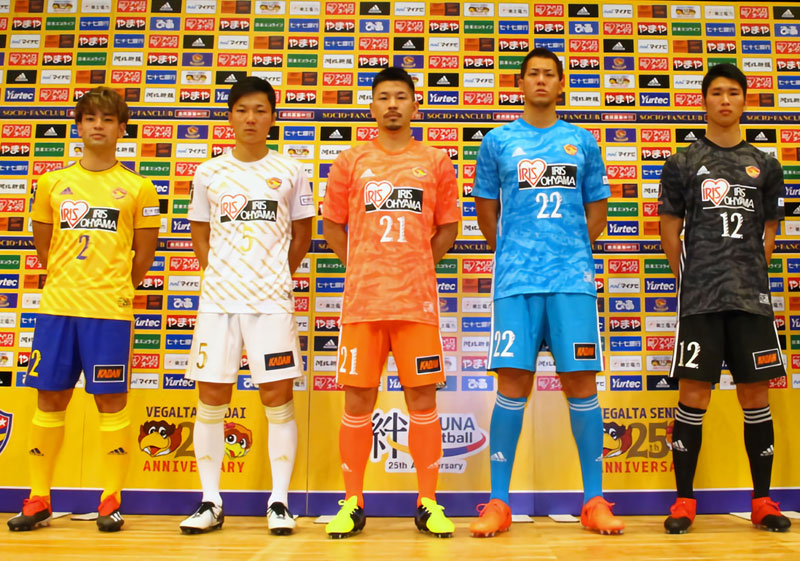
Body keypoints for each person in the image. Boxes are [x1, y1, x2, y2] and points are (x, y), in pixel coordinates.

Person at [469, 48, 624, 537]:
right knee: (512, 383)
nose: (540, 80)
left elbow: (597, 212)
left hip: (571, 282)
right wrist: (515, 251)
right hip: (515, 282)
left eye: (549, 75)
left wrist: (567, 249)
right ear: (520, 83)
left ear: (561, 84)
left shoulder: (582, 141)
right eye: (532, 74)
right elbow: (486, 210)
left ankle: (594, 500)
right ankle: (498, 502)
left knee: (581, 382)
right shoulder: (497, 141)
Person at [8, 87, 160, 532]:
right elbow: (44, 247)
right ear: (78, 126)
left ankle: (110, 499)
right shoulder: (52, 183)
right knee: (50, 397)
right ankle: (39, 498)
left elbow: (144, 256)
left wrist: (112, 287)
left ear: (121, 129)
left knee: (110, 401)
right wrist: (70, 279)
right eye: (90, 118)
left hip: (109, 312)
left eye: (108, 119)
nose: (98, 126)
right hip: (58, 308)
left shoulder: (139, 187)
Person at [322, 66, 460, 539]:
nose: (393, 105)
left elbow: (448, 227)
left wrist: (415, 263)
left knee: (422, 398)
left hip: (415, 303)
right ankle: (352, 502)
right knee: (358, 399)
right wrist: (363, 263)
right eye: (384, 97)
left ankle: (428, 502)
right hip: (363, 303)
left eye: (401, 97)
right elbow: (331, 225)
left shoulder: (436, 160)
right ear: (372, 106)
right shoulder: (350, 160)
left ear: (415, 105)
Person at [659, 63, 790, 534]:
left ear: (744, 100)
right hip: (700, 300)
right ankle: (684, 501)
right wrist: (689, 278)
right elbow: (669, 227)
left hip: (751, 300)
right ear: (704, 101)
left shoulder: (766, 164)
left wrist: (749, 271)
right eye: (716, 92)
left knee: (755, 395)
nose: (725, 100)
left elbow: (770, 230)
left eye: (733, 92)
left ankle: (763, 502)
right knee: (693, 395)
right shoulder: (683, 162)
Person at [179, 77, 314, 535]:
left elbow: (303, 233)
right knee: (211, 399)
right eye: (242, 110)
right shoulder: (209, 172)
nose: (251, 118)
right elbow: (200, 231)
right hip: (218, 303)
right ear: (230, 116)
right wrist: (219, 273)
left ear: (273, 116)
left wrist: (275, 275)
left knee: (277, 398)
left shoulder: (290, 170)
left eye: (260, 110)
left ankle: (279, 502)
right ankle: (210, 501)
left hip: (271, 303)